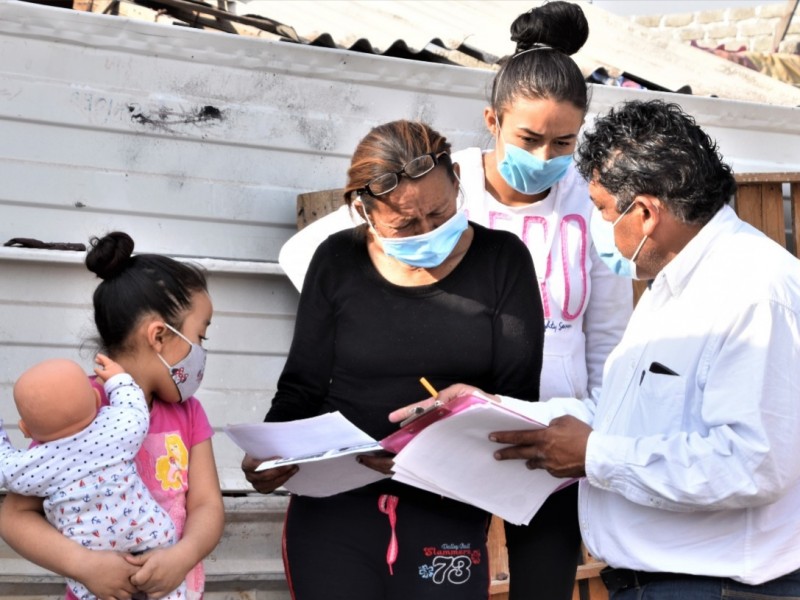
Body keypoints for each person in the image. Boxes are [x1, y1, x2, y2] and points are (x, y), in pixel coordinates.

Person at [276, 3, 633, 598]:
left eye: (563, 142)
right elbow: (316, 255)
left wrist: (592, 431)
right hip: (450, 438)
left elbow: (609, 339)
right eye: (529, 138)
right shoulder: (438, 176)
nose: (545, 158)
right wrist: (395, 310)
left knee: (542, 586)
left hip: (552, 436)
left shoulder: (589, 205)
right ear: (492, 121)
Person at [413, 99, 800, 599]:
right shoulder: (673, 285)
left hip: (712, 586)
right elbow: (617, 414)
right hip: (662, 584)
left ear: (644, 213)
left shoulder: (753, 292)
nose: (597, 225)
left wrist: (596, 456)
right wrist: (486, 409)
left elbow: (753, 464)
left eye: (601, 209)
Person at [242, 119, 545, 599]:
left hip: (448, 510)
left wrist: (445, 432)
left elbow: (517, 402)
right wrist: (269, 456)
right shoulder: (336, 260)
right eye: (404, 224)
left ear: (457, 182)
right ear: (364, 211)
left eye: (441, 213)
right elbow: (301, 385)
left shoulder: (503, 260)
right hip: (333, 513)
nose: (427, 230)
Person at [0, 231, 224, 600]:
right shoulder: (74, 406)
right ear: (158, 336)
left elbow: (206, 505)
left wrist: (182, 557)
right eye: (201, 336)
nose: (200, 351)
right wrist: (84, 565)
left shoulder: (190, 414)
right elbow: (14, 517)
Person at [0, 355, 186, 600]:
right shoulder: (116, 429)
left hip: (94, 566)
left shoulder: (36, 463)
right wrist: (118, 381)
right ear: (98, 399)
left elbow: (5, 467)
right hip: (152, 540)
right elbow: (136, 411)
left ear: (25, 430)